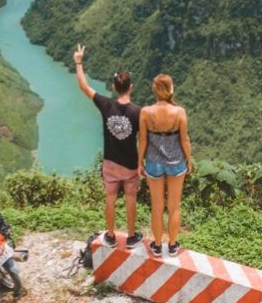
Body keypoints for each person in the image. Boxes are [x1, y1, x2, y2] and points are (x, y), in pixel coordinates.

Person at [74, 43, 143, 249]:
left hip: (110, 163)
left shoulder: (106, 104)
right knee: (131, 199)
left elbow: (84, 87)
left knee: (110, 198)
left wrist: (78, 61)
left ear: (114, 87)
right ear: (131, 87)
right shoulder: (139, 112)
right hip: (131, 165)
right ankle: (131, 237)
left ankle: (111, 236)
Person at [138, 74, 192, 256]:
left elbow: (143, 140)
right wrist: (188, 160)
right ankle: (173, 245)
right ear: (171, 89)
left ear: (155, 90)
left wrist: (140, 162)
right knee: (174, 206)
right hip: (176, 162)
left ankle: (157, 245)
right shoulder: (179, 112)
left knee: (157, 207)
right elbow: (184, 140)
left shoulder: (146, 112)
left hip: (153, 162)